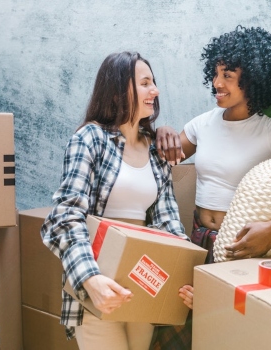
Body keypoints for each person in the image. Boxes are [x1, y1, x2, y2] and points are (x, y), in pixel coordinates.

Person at [152, 26, 271, 350]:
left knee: (231, 336)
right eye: (215, 74)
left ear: (255, 78)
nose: (217, 83)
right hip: (198, 242)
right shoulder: (203, 124)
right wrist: (163, 130)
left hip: (245, 250)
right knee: (180, 336)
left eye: (228, 75)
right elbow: (161, 160)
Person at [40, 51, 188, 350]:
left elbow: (168, 221)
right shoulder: (90, 139)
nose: (155, 91)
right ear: (120, 90)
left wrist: (182, 277)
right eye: (145, 83)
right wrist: (91, 281)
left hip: (144, 283)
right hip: (98, 282)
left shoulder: (155, 150)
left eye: (154, 82)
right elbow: (65, 218)